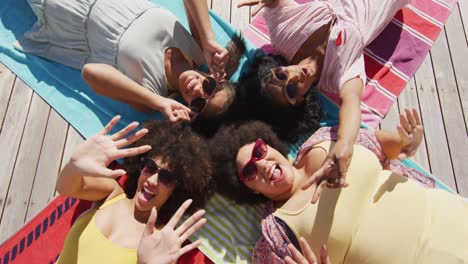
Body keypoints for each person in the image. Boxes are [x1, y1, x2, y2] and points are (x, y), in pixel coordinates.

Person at [209, 111, 467, 263]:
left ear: (269, 144)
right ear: (249, 189)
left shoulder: (324, 139)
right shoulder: (276, 236)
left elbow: (384, 146)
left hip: (447, 215)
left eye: (258, 151)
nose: (262, 164)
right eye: (250, 171)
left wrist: (406, 141)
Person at [237, 0, 411, 188]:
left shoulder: (284, 35)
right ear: (299, 102)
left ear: (275, 68)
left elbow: (275, 4)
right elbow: (351, 103)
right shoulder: (339, 74)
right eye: (291, 90)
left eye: (280, 75)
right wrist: (344, 144)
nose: (293, 78)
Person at [16, 0, 245, 123]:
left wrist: (159, 103)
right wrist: (208, 39)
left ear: (190, 113)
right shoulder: (196, 50)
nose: (197, 90)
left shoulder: (152, 95)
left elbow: (90, 72)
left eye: (198, 103)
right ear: (215, 77)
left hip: (69, 10)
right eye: (209, 88)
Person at [55, 116, 213, 263]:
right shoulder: (112, 193)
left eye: (166, 178)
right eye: (150, 167)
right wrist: (74, 165)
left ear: (178, 191)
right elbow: (65, 187)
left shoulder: (161, 243)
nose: (152, 180)